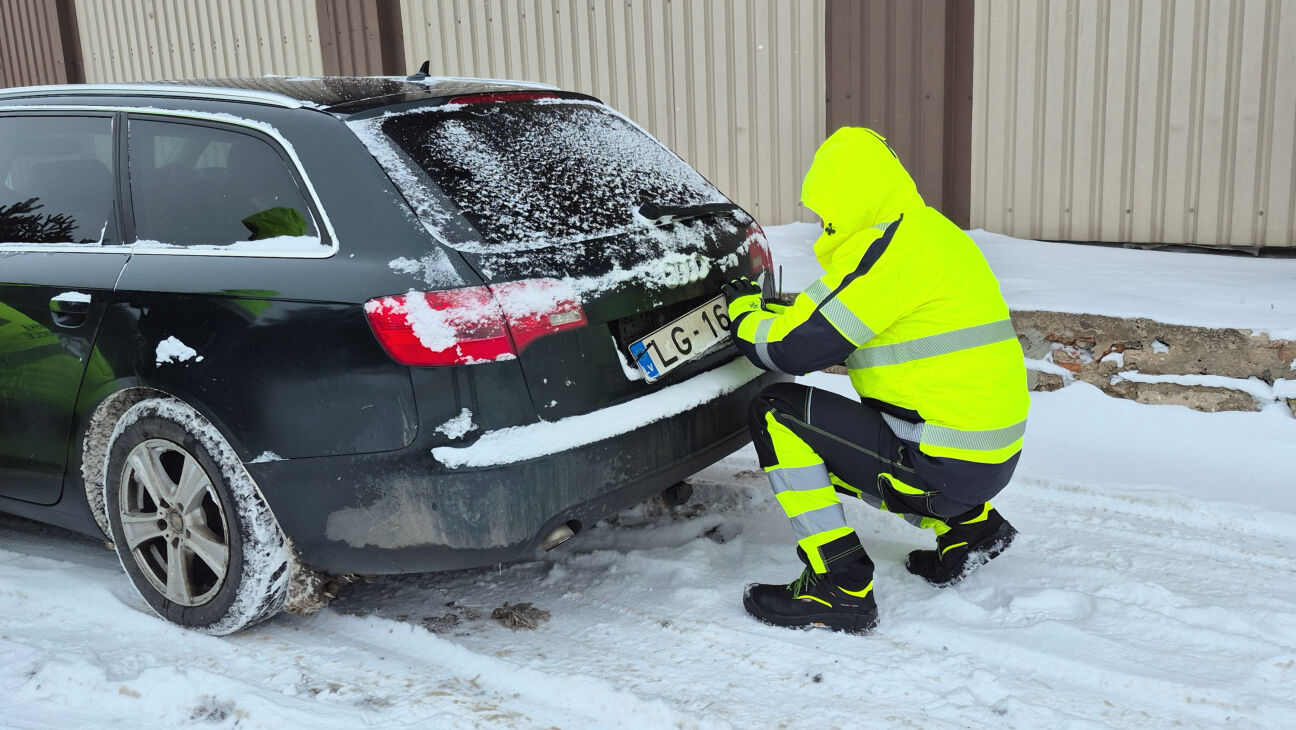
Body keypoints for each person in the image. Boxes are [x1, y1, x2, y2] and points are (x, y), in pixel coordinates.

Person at [721, 127, 1029, 633]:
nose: (821, 223)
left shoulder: (887, 255)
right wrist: (775, 312)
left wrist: (741, 316)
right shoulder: (929, 235)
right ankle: (973, 529)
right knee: (851, 432)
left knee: (777, 413)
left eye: (824, 210)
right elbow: (826, 311)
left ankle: (838, 585)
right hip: (986, 461)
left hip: (942, 463)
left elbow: (790, 348)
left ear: (849, 198)